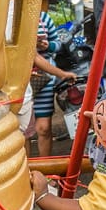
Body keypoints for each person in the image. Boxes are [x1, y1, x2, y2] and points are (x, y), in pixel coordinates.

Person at [31, 11, 75, 157]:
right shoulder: (10, 15)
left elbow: (58, 45)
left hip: (44, 79)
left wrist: (47, 46)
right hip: (19, 80)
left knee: (43, 128)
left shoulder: (43, 17)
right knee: (21, 130)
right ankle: (25, 172)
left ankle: (46, 171)